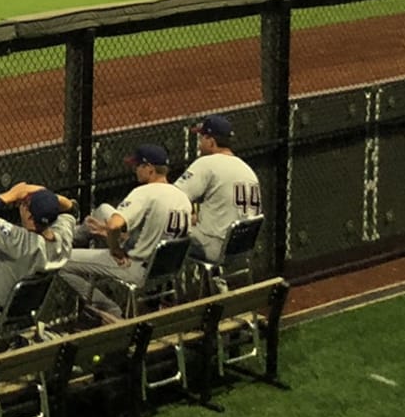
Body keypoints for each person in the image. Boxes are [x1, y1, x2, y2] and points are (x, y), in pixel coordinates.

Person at [60, 144, 191, 317]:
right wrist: (111, 234)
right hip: (165, 270)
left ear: (149, 169)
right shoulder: (182, 197)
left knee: (60, 260)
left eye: (137, 166)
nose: (134, 170)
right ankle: (71, 235)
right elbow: (154, 232)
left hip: (135, 268)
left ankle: (109, 309)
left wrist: (115, 248)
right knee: (104, 211)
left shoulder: (145, 192)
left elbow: (115, 224)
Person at [0, 183, 77, 328]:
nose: (21, 205)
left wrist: (12, 195)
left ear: (30, 217)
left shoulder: (21, 242)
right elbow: (72, 208)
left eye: (25, 204)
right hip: (20, 308)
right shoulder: (63, 239)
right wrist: (46, 199)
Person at [174, 115, 262, 264]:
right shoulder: (248, 171)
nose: (200, 143)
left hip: (214, 247)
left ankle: (156, 286)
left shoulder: (207, 163)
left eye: (202, 138)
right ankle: (216, 281)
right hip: (243, 249)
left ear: (211, 142)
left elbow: (171, 198)